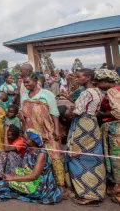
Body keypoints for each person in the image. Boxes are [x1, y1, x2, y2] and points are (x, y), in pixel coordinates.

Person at [0, 129, 62, 205]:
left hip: (40, 185)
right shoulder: (29, 149)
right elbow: (26, 169)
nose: (24, 141)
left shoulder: (42, 154)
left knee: (10, 184)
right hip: (30, 178)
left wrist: (13, 177)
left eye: (26, 139)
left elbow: (34, 176)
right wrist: (13, 175)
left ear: (33, 141)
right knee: (10, 184)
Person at [66, 68, 106, 206]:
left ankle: (86, 193)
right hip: (92, 124)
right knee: (93, 156)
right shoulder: (98, 91)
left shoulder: (86, 93)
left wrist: (70, 112)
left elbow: (77, 112)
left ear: (88, 77)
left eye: (78, 77)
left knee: (77, 156)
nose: (76, 79)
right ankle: (96, 191)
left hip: (82, 125)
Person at [19, 73, 65, 191]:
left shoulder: (46, 94)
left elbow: (54, 112)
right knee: (35, 157)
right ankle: (41, 185)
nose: (26, 85)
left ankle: (60, 186)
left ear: (35, 81)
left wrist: (56, 130)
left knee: (54, 156)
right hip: (31, 132)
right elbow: (22, 112)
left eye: (28, 82)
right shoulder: (24, 95)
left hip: (47, 131)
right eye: (24, 83)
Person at [95, 69, 120, 204]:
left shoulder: (112, 91)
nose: (97, 85)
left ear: (106, 82)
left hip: (115, 130)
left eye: (99, 82)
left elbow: (118, 112)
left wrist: (101, 115)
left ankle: (118, 190)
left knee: (116, 161)